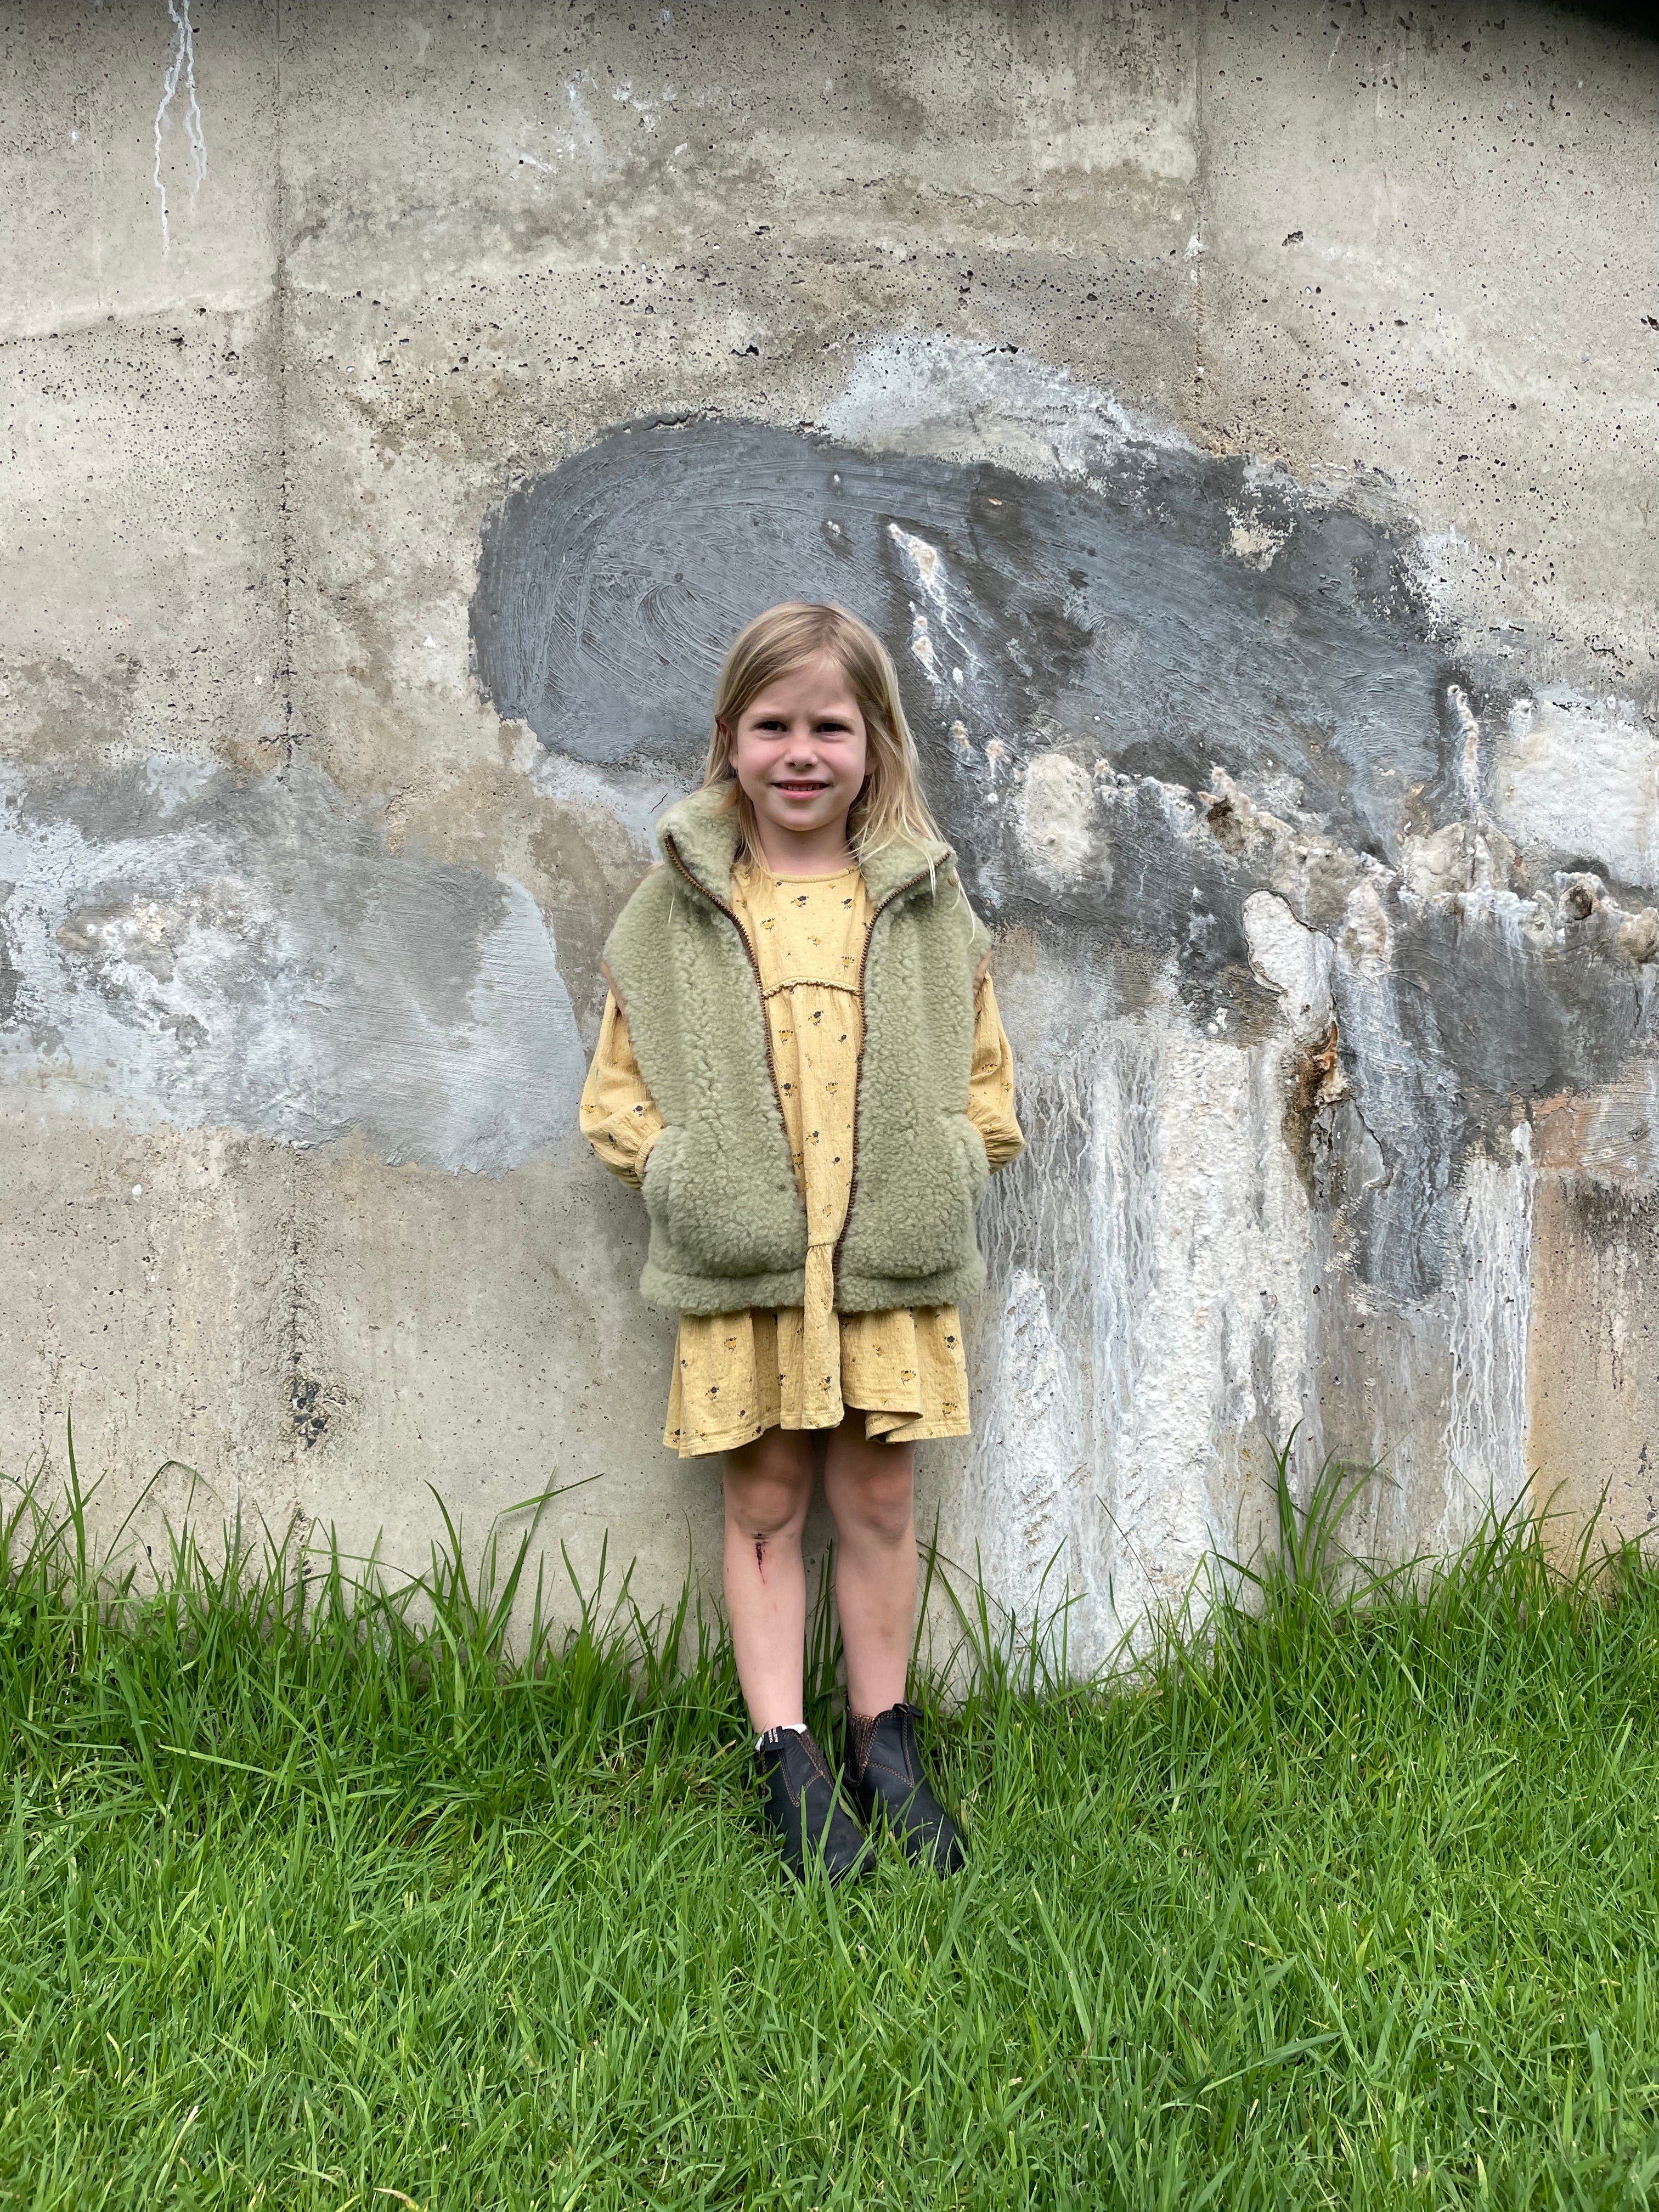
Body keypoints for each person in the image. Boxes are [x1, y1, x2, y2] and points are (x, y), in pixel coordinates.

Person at [579, 601, 1024, 1881]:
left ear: (875, 745)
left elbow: (987, 1083)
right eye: (773, 725)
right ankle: (785, 1755)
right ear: (729, 741)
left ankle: (888, 1743)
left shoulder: (929, 907)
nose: (801, 753)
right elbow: (617, 1093)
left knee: (878, 1495)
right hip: (750, 1267)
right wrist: (679, 1173)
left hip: (886, 1263)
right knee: (767, 1500)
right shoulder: (680, 911)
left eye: (831, 725)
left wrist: (949, 1161)